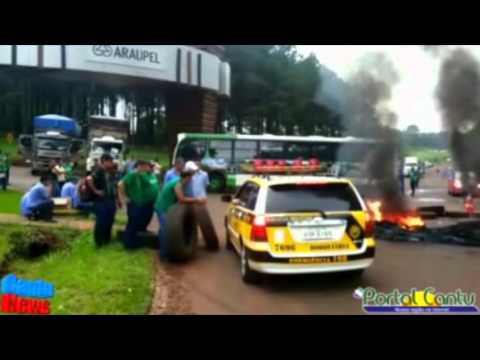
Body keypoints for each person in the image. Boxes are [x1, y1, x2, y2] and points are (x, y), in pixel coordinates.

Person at [155, 170, 206, 260]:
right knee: (165, 230)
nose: (191, 180)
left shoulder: (179, 180)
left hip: (167, 207)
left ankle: (164, 248)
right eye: (190, 178)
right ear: (187, 177)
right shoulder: (177, 184)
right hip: (162, 207)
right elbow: (181, 199)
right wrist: (197, 200)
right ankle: (163, 254)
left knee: (164, 229)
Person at [118, 160, 159, 250]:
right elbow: (120, 184)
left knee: (141, 222)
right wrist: (125, 197)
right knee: (132, 223)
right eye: (146, 166)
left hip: (144, 203)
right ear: (139, 166)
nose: (148, 168)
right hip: (134, 203)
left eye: (149, 166)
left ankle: (137, 241)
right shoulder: (133, 174)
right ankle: (128, 245)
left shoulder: (147, 175)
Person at [87, 154, 120, 248]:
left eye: (111, 161)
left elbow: (115, 185)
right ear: (104, 161)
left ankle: (107, 240)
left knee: (110, 220)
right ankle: (99, 242)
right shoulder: (99, 170)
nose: (111, 163)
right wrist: (96, 191)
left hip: (111, 199)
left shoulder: (111, 171)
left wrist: (118, 199)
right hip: (101, 200)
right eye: (109, 161)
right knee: (101, 221)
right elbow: (89, 179)